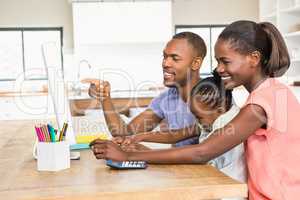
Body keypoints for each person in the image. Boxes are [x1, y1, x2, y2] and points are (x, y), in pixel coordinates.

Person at [90, 20, 300, 199]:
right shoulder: (268, 94)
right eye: (218, 61)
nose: (218, 69)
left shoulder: (263, 101)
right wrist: (138, 142)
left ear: (253, 59)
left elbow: (202, 151)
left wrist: (127, 155)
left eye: (225, 61)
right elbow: (193, 133)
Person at [91, 73, 247, 183]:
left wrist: (132, 155)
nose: (166, 63)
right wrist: (140, 137)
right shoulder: (212, 117)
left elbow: (199, 155)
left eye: (174, 57)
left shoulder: (228, 124)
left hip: (227, 192)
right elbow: (176, 135)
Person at [83, 32, 207, 147]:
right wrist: (105, 98)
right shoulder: (165, 99)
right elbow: (125, 133)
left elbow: (201, 151)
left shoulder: (212, 95)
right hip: (183, 169)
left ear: (196, 63)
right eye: (165, 57)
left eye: (175, 58)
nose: (165, 63)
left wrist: (140, 145)